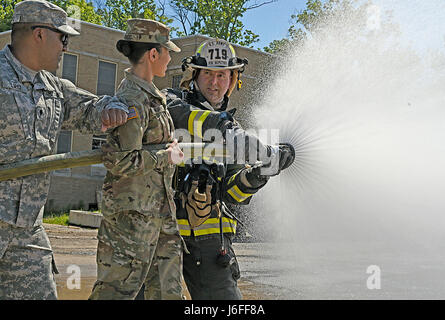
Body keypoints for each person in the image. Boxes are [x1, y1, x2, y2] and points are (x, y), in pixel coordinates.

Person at [0, 0, 128, 300]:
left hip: (26, 233)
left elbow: (90, 107)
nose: (66, 46)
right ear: (40, 34)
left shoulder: (53, 89)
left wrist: (112, 108)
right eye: (63, 37)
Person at [157, 39, 295, 300]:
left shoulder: (234, 132)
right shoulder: (172, 104)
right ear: (194, 76)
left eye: (222, 75)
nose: (214, 82)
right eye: (207, 73)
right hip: (162, 237)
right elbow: (172, 113)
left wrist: (258, 174)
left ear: (232, 80)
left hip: (211, 243)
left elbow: (233, 194)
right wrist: (221, 126)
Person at [88, 18, 186, 300]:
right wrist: (165, 156)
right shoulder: (131, 99)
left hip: (160, 215)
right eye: (167, 52)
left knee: (168, 293)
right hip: (131, 222)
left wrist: (168, 149)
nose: (169, 59)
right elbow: (120, 161)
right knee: (115, 293)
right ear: (153, 54)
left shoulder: (152, 97)